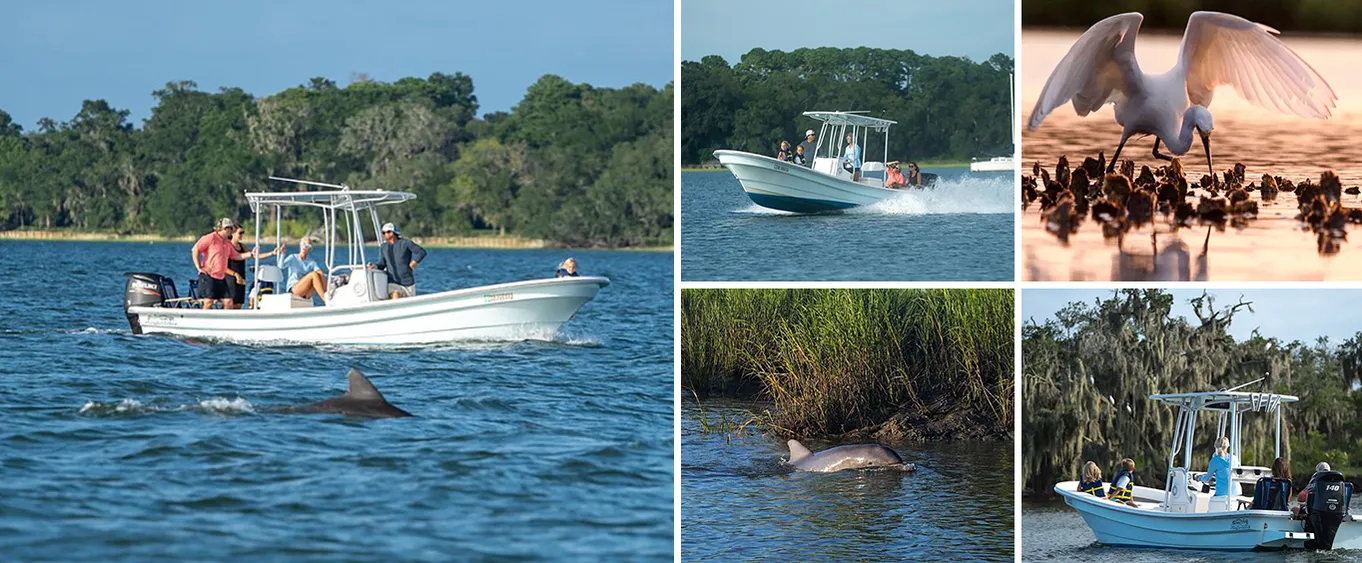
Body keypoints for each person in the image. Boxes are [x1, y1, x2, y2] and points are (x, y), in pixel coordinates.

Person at [191, 218, 260, 310]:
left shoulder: (227, 243)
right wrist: (199, 267)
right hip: (208, 276)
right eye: (231, 229)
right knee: (209, 301)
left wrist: (251, 254)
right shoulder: (211, 238)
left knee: (228, 301)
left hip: (221, 277)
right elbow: (195, 249)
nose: (232, 232)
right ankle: (203, 321)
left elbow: (236, 256)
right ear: (225, 229)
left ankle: (225, 322)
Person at [226, 225, 280, 309]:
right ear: (232, 233)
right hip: (231, 277)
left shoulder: (242, 246)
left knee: (239, 304)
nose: (241, 235)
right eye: (240, 233)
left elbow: (254, 256)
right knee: (230, 303)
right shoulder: (227, 246)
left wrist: (271, 253)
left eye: (243, 233)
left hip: (241, 276)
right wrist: (235, 275)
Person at [368, 223, 426, 299]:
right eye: (384, 233)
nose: (386, 234)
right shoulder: (383, 247)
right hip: (393, 282)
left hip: (408, 282)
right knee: (395, 294)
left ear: (394, 232)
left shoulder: (405, 243)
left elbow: (421, 252)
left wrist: (414, 262)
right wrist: (374, 266)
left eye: (388, 232)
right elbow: (382, 264)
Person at [279, 237, 328, 304]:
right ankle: (326, 300)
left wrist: (329, 277)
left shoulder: (311, 262)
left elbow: (320, 273)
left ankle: (327, 296)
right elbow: (281, 266)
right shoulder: (293, 257)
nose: (305, 247)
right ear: (300, 245)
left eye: (307, 245)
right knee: (314, 274)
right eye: (304, 244)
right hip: (294, 289)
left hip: (306, 293)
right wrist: (283, 254)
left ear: (310, 248)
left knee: (320, 274)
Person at [1196, 436, 1234, 511]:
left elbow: (1206, 479)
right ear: (1228, 446)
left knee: (1209, 505)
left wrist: (1198, 478)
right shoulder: (1234, 458)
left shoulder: (1215, 460)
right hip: (1236, 492)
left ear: (1215, 446)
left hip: (1222, 494)